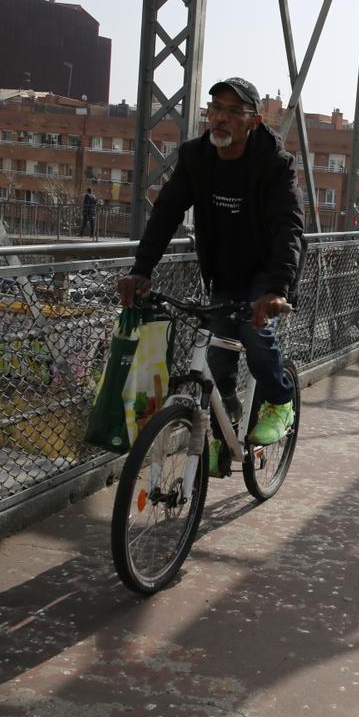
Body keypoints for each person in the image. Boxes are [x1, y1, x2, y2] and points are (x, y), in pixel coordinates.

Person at [117, 76, 304, 447]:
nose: (221, 118)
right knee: (217, 357)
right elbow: (167, 212)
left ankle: (281, 402)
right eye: (216, 108)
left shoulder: (275, 164)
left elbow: (289, 228)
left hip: (266, 270)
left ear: (255, 122)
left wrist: (276, 289)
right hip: (225, 268)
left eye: (235, 111)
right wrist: (141, 269)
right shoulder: (195, 157)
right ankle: (226, 419)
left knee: (254, 333)